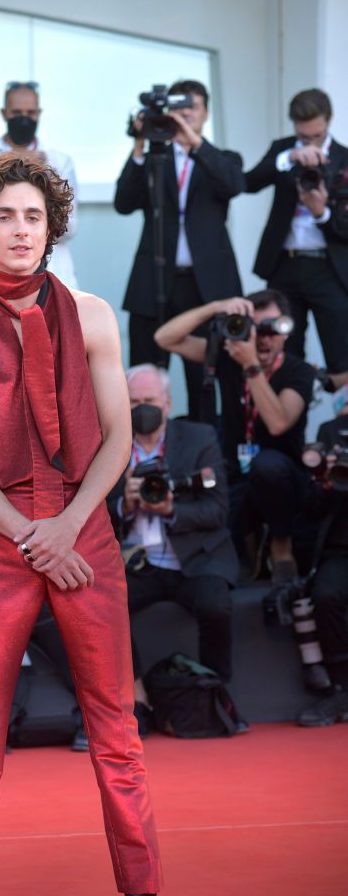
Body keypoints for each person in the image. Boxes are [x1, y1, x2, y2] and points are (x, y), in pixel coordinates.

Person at [0, 152, 206, 896]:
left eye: (34, 218)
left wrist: (68, 527)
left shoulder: (91, 315)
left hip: (82, 534)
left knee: (117, 734)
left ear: (52, 228)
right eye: (5, 217)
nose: (20, 231)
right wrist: (26, 532)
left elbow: (118, 436)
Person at [155, 289, 315, 585]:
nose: (263, 339)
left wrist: (251, 366)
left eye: (270, 329)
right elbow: (165, 338)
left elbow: (279, 423)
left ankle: (281, 547)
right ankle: (251, 544)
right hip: (234, 473)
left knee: (267, 466)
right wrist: (217, 307)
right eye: (254, 329)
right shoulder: (228, 357)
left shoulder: (298, 371)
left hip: (283, 478)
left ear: (285, 331)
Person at [114, 79, 244, 420]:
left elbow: (233, 185)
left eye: (193, 110)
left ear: (205, 114)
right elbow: (124, 202)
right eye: (178, 111)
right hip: (154, 279)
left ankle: (205, 451)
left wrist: (194, 144)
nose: (185, 116)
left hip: (206, 286)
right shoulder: (154, 159)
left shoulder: (221, 158)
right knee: (145, 370)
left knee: (204, 375)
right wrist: (140, 142)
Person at [108, 364, 238, 690]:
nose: (143, 408)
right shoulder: (108, 445)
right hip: (136, 564)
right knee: (100, 609)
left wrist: (170, 509)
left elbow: (218, 510)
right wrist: (124, 504)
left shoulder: (199, 438)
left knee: (215, 606)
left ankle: (215, 691)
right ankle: (135, 698)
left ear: (168, 403)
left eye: (150, 399)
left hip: (194, 556)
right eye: (134, 402)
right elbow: (93, 513)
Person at [245, 88, 348, 370]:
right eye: (304, 136)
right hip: (284, 267)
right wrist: (289, 157)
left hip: (331, 270)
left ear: (328, 121)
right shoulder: (283, 149)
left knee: (342, 353)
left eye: (316, 136)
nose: (310, 142)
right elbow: (247, 183)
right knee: (283, 352)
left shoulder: (345, 159)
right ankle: (289, 413)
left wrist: (322, 213)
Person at [0, 81, 79, 288]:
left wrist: (45, 174)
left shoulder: (58, 161)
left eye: (30, 113)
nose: (24, 119)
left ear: (39, 113)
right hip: (1, 273)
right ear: (4, 113)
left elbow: (69, 227)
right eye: (17, 112)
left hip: (53, 272)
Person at [296, 411, 348, 727]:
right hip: (341, 547)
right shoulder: (331, 431)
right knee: (326, 595)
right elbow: (310, 506)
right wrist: (325, 482)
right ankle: (341, 689)